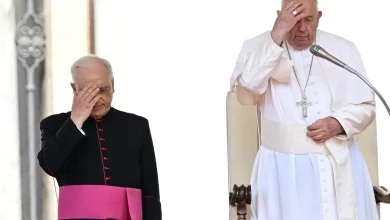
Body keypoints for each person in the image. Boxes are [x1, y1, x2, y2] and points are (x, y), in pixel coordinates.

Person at [230, 0, 379, 219]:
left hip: (339, 164)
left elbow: (367, 108)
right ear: (280, 16)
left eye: (308, 20)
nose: (302, 29)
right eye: (293, 20)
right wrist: (277, 34)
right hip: (282, 172)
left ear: (318, 17)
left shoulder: (343, 48)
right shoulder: (258, 47)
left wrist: (338, 123)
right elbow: (247, 88)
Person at [37, 55, 161, 220]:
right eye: (88, 92)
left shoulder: (137, 126)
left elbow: (150, 192)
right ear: (74, 89)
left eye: (103, 90)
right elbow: (50, 166)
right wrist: (75, 121)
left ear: (113, 85)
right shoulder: (54, 124)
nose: (96, 100)